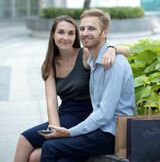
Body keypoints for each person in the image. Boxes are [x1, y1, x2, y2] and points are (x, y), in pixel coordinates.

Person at [14, 14, 130, 162]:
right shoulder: (49, 64)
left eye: (71, 33)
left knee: (26, 141)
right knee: (34, 155)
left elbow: (124, 51)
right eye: (61, 32)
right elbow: (51, 101)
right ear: (53, 35)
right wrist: (55, 130)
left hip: (87, 115)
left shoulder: (86, 54)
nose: (66, 37)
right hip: (65, 114)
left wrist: (113, 48)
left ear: (76, 36)